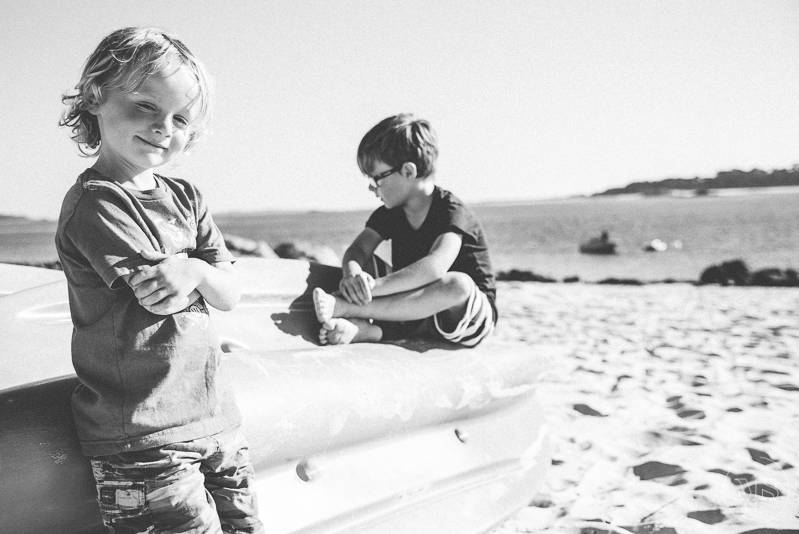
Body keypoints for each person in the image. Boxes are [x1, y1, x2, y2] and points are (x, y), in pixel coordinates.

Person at [56, 27, 263, 534]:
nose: (163, 128)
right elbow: (160, 295)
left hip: (215, 417)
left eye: (180, 118)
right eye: (146, 106)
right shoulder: (97, 201)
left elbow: (230, 293)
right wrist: (202, 275)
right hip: (143, 436)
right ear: (96, 96)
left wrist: (194, 269)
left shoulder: (186, 195)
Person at [313, 113, 497, 347]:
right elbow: (359, 248)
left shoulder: (451, 211)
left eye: (377, 178)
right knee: (368, 264)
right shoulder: (390, 212)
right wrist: (353, 275)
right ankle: (368, 331)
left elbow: (434, 268)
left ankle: (348, 308)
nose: (372, 188)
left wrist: (370, 290)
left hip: (463, 319)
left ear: (408, 172)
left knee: (457, 285)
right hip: (413, 312)